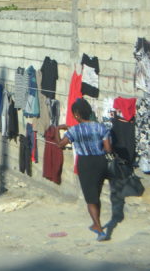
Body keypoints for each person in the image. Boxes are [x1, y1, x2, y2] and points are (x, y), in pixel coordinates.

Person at [58, 97, 113, 241]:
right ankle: (96, 224)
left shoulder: (74, 131)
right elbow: (108, 149)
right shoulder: (101, 127)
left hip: (85, 163)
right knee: (96, 195)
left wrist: (58, 129)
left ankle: (100, 230)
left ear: (76, 114)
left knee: (90, 198)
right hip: (100, 162)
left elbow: (60, 145)